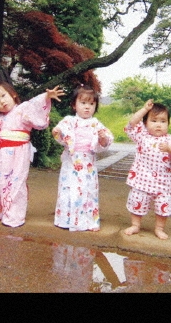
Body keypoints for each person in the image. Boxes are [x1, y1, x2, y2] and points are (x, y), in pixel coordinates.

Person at [0, 82, 65, 227]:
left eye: (3, 96)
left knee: (17, 181)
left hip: (20, 152)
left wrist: (46, 96)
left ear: (13, 94)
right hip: (3, 155)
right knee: (1, 182)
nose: (2, 102)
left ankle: (15, 216)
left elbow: (34, 104)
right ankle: (0, 211)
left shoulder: (23, 109)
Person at [52, 84, 114, 232]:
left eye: (91, 104)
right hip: (71, 160)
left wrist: (102, 138)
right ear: (74, 105)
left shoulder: (96, 123)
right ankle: (66, 219)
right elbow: (59, 133)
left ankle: (88, 221)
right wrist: (57, 132)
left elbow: (106, 141)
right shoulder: (69, 120)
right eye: (83, 102)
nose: (87, 107)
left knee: (87, 190)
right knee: (68, 188)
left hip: (88, 162)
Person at [123, 99, 171, 240]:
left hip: (162, 183)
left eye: (163, 121)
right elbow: (132, 124)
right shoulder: (142, 136)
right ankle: (135, 225)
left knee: (163, 205)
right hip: (142, 179)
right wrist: (144, 109)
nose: (158, 124)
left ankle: (159, 228)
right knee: (137, 200)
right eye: (154, 120)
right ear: (145, 123)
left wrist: (170, 149)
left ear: (168, 123)